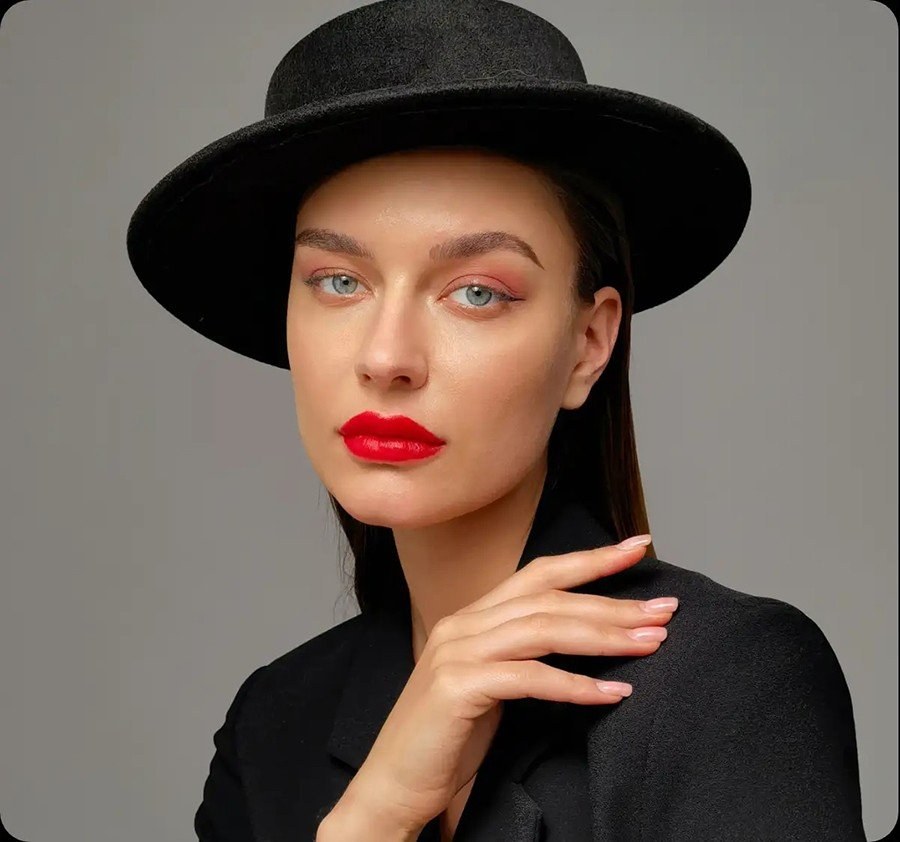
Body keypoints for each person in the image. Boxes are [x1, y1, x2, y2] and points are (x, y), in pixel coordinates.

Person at [126, 1, 868, 840]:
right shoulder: (273, 727)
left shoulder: (726, 684)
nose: (386, 357)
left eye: (477, 292)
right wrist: (372, 816)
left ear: (589, 344)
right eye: (338, 281)